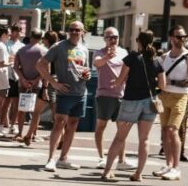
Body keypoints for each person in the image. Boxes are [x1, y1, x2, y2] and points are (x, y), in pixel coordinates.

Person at [101, 30, 160, 182]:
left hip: (131, 101)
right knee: (144, 140)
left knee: (120, 138)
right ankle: (138, 174)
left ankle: (107, 171)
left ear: (138, 40)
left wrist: (117, 82)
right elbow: (163, 84)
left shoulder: (132, 57)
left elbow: (121, 79)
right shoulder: (156, 60)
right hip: (150, 102)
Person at [37, 20, 90, 172]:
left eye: (77, 30)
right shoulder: (59, 47)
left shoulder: (84, 49)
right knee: (59, 123)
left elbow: (84, 69)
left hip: (80, 92)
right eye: (71, 29)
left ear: (82, 32)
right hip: (64, 92)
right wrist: (53, 83)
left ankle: (63, 158)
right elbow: (40, 64)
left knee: (73, 125)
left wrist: (86, 76)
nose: (74, 32)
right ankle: (51, 159)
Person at [152, 25, 188, 182]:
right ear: (171, 38)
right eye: (179, 36)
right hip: (164, 96)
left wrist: (173, 81)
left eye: (184, 36)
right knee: (164, 131)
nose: (182, 39)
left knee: (172, 130)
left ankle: (176, 167)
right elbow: (157, 78)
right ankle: (168, 164)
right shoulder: (164, 57)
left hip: (180, 97)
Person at [92, 27, 130, 169]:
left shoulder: (123, 52)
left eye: (115, 37)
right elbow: (97, 63)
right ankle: (101, 157)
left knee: (122, 129)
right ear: (104, 39)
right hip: (104, 95)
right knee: (101, 126)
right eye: (109, 37)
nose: (113, 40)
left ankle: (121, 160)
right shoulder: (99, 52)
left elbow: (127, 70)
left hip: (121, 95)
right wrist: (107, 57)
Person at [13, 29, 49, 147]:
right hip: (36, 84)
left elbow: (16, 67)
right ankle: (33, 133)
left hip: (22, 84)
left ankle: (20, 132)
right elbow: (45, 70)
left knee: (22, 109)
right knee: (35, 112)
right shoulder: (44, 51)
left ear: (30, 36)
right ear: (41, 37)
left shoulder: (21, 50)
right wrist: (36, 80)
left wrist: (23, 79)